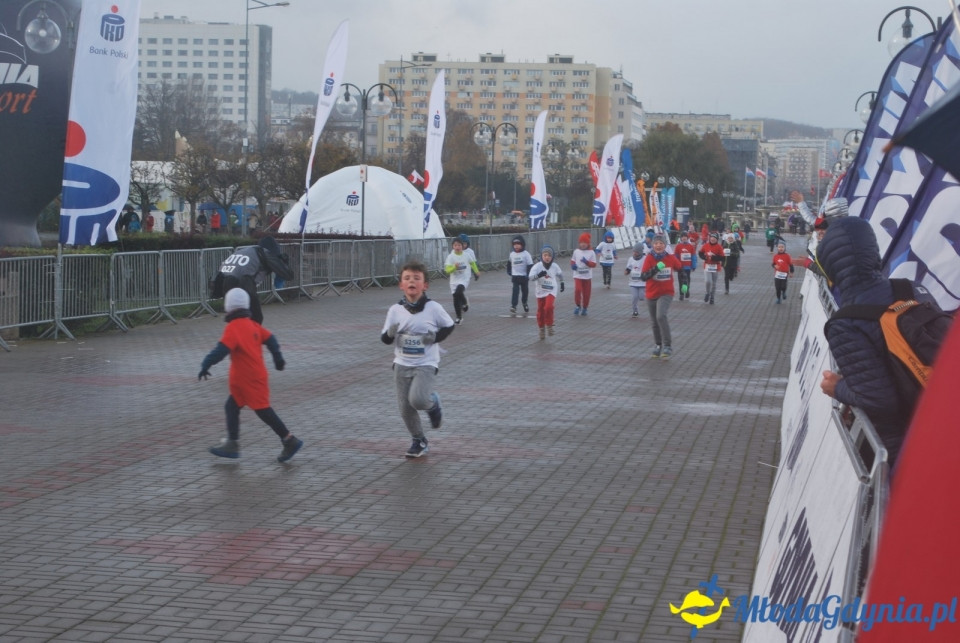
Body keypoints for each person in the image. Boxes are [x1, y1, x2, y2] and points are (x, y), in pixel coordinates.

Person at [816, 216, 931, 466]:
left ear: (830, 270)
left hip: (903, 449)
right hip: (942, 420)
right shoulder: (911, 289)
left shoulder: (844, 323)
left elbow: (879, 400)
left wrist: (838, 388)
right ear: (873, 252)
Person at [198, 288, 303, 463]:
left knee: (264, 411)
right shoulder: (253, 324)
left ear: (228, 307)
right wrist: (278, 358)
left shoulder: (234, 327)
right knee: (231, 407)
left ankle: (289, 439)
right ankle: (232, 443)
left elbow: (221, 350)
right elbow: (271, 339)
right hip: (248, 380)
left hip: (249, 381)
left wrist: (206, 364)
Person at [380, 261, 455, 458]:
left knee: (419, 399)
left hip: (426, 363)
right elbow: (385, 339)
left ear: (425, 285)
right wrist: (390, 332)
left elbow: (448, 326)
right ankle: (419, 440)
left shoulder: (433, 308)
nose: (411, 281)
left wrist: (435, 338)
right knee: (405, 408)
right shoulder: (395, 310)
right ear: (401, 285)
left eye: (416, 278)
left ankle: (433, 404)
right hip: (402, 363)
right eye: (407, 278)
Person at [213, 235, 294, 324]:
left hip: (225, 283)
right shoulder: (265, 253)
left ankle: (236, 334)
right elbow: (287, 275)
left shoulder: (245, 251)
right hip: (244, 284)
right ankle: (253, 335)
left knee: (234, 319)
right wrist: (284, 262)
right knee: (256, 318)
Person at [640, 234, 682, 359]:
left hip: (666, 292)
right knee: (654, 321)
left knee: (661, 316)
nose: (658, 245)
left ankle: (667, 345)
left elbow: (681, 269)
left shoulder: (670, 258)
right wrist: (655, 269)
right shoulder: (649, 258)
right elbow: (643, 277)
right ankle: (658, 345)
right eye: (656, 243)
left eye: (661, 243)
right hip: (651, 293)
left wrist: (684, 284)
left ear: (665, 245)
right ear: (653, 245)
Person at [529, 245, 565, 340]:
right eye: (545, 255)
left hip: (551, 290)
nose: (547, 257)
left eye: (549, 255)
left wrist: (562, 283)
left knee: (548, 307)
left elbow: (560, 275)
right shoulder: (537, 266)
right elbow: (530, 278)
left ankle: (549, 325)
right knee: (541, 311)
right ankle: (541, 328)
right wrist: (539, 275)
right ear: (542, 256)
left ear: (552, 257)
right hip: (540, 290)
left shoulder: (555, 266)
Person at [444, 235, 480, 325]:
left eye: (459, 245)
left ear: (462, 246)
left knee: (458, 292)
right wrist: (454, 267)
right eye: (455, 245)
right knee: (456, 297)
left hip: (464, 278)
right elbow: (447, 270)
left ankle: (463, 305)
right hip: (454, 280)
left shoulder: (466, 255)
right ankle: (459, 316)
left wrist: (476, 272)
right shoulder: (450, 257)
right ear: (453, 246)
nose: (457, 247)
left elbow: (472, 263)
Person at [570, 232, 597, 315]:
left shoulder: (591, 252)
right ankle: (578, 305)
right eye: (581, 243)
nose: (583, 245)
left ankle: (585, 307)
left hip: (587, 276)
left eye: (585, 243)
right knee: (578, 290)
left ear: (588, 243)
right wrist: (573, 265)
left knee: (586, 293)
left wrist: (587, 262)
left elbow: (594, 264)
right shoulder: (576, 251)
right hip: (578, 275)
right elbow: (572, 260)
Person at [507, 235, 533, 315]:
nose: (516, 246)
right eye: (515, 244)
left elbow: (530, 265)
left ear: (522, 244)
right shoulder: (512, 254)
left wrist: (528, 274)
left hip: (524, 276)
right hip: (515, 276)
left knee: (525, 291)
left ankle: (524, 303)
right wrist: (509, 271)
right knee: (515, 291)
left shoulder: (526, 254)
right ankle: (513, 306)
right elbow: (509, 263)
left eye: (518, 244)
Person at [698, 231, 725, 304]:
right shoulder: (706, 245)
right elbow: (700, 253)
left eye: (714, 238)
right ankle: (707, 293)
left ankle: (712, 297)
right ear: (709, 238)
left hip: (715, 266)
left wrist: (714, 257)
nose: (712, 239)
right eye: (711, 238)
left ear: (717, 239)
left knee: (714, 283)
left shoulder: (719, 247)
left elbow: (722, 257)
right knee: (708, 281)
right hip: (707, 266)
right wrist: (704, 257)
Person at [624, 242, 646, 317]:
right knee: (634, 297)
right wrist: (626, 271)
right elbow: (629, 267)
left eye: (636, 252)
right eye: (634, 251)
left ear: (640, 252)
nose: (634, 253)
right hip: (633, 282)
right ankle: (635, 310)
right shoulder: (631, 259)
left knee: (641, 297)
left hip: (642, 282)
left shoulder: (645, 259)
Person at [673, 230, 696, 301]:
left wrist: (694, 265)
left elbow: (693, 257)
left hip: (688, 266)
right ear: (680, 238)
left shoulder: (690, 246)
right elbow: (675, 257)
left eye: (685, 237)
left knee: (687, 280)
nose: (684, 238)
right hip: (680, 267)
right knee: (680, 280)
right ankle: (681, 294)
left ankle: (686, 290)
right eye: (682, 237)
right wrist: (675, 266)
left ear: (687, 238)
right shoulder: (678, 246)